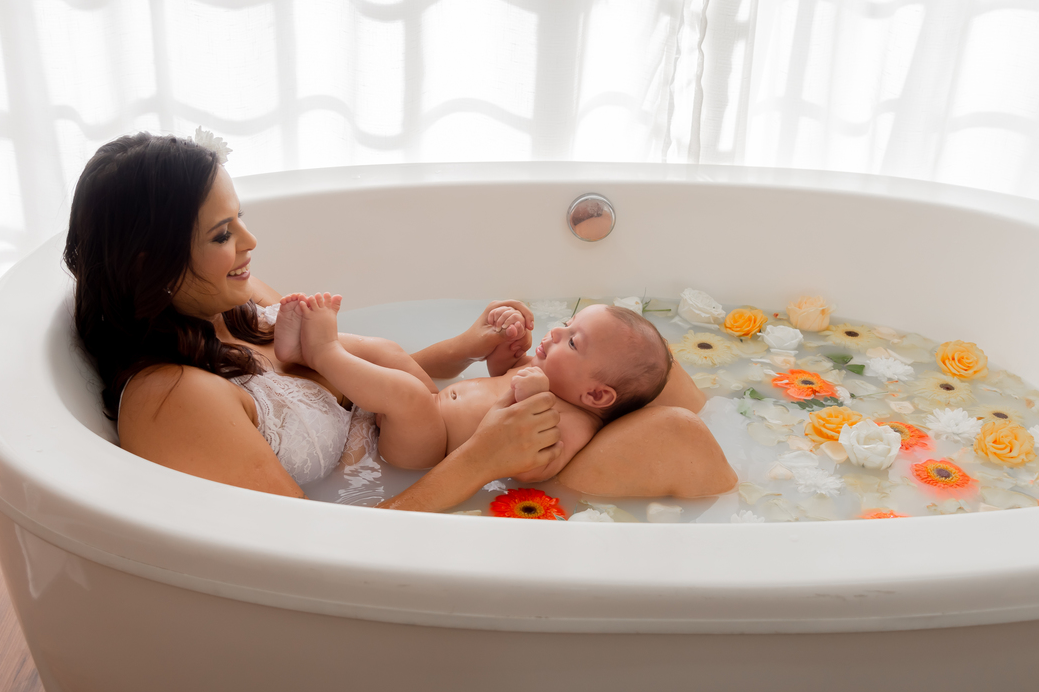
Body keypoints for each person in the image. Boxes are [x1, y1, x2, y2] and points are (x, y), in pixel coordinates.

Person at [65, 132, 736, 512]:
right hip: (434, 482)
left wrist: (468, 349)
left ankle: (772, 462)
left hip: (440, 443)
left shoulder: (236, 307)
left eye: (239, 216)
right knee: (677, 433)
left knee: (641, 358)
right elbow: (308, 557)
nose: (251, 242)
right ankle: (778, 525)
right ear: (151, 263)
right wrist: (484, 458)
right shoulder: (172, 400)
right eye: (221, 231)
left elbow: (376, 374)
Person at [275, 294, 672, 483]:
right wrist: (505, 350)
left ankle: (324, 351)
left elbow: (535, 466)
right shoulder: (545, 372)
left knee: (407, 397)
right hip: (431, 405)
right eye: (568, 323)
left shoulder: (575, 421)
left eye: (572, 341)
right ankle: (301, 353)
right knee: (391, 353)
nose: (556, 331)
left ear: (597, 395)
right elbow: (502, 376)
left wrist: (531, 396)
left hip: (426, 449)